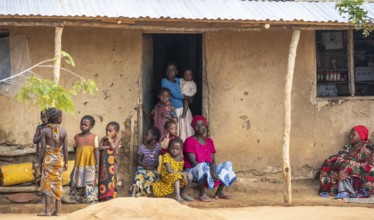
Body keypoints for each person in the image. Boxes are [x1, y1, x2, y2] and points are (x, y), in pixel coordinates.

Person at [184, 115, 236, 202]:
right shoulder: (189, 141)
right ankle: (202, 193)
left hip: (207, 169)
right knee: (202, 166)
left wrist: (213, 171)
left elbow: (212, 160)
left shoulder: (209, 141)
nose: (200, 127)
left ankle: (219, 192)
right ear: (193, 127)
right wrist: (208, 171)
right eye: (197, 125)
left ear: (206, 127)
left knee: (228, 164)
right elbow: (193, 162)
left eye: (202, 125)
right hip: (194, 170)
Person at [319, 125, 374, 198]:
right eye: (350, 134)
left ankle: (345, 191)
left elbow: (370, 166)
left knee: (345, 164)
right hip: (346, 171)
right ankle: (325, 189)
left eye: (353, 134)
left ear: (361, 137)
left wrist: (347, 161)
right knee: (330, 161)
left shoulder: (368, 148)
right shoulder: (346, 148)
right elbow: (339, 159)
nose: (350, 136)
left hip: (363, 174)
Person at [34, 107, 68, 216]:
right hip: (59, 160)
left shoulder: (44, 131)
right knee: (58, 183)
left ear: (48, 118)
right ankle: (57, 211)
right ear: (59, 119)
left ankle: (47, 210)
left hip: (48, 160)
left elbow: (43, 148)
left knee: (47, 184)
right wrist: (66, 162)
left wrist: (38, 162)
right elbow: (65, 149)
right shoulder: (64, 131)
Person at [68, 115, 99, 204]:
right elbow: (75, 149)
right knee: (78, 180)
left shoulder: (94, 137)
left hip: (90, 164)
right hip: (79, 164)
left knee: (90, 182)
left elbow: (96, 150)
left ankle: (91, 199)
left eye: (86, 125)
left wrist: (97, 164)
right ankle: (79, 199)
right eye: (82, 124)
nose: (83, 126)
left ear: (91, 126)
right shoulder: (77, 137)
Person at [153, 137, 194, 202]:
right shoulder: (167, 156)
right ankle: (177, 196)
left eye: (177, 149)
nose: (174, 150)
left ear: (181, 150)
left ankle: (184, 193)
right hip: (166, 176)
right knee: (176, 176)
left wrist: (184, 174)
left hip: (177, 174)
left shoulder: (181, 157)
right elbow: (170, 171)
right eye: (172, 148)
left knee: (190, 176)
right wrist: (182, 174)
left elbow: (180, 169)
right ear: (169, 148)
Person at [161, 63, 193, 141]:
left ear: (176, 72)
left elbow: (189, 88)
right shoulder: (164, 82)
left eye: (172, 70)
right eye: (168, 69)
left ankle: (186, 149)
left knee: (186, 132)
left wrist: (190, 95)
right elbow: (176, 95)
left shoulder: (180, 81)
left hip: (185, 110)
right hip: (174, 111)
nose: (169, 71)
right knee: (176, 132)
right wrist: (189, 96)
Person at [131, 127, 161, 197]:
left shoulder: (158, 147)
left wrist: (153, 167)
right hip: (143, 167)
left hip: (153, 169)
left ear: (154, 137)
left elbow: (159, 160)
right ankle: (133, 194)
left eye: (147, 134)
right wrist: (144, 166)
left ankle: (144, 194)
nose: (144, 136)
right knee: (138, 177)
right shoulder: (142, 147)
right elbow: (138, 160)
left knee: (149, 179)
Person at [98, 122, 121, 202]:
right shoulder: (104, 138)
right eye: (106, 130)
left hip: (112, 164)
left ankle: (110, 196)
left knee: (111, 179)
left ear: (116, 132)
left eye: (110, 131)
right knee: (103, 179)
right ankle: (102, 196)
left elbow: (114, 147)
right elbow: (100, 147)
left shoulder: (117, 138)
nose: (107, 132)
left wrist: (110, 140)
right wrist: (106, 142)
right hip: (104, 163)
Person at [32, 111, 48, 202]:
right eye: (42, 117)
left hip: (49, 156)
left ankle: (47, 197)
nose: (44, 119)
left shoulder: (51, 127)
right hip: (39, 156)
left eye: (46, 117)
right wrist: (42, 134)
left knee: (48, 176)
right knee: (40, 175)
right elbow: (34, 140)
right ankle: (42, 196)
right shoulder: (40, 127)